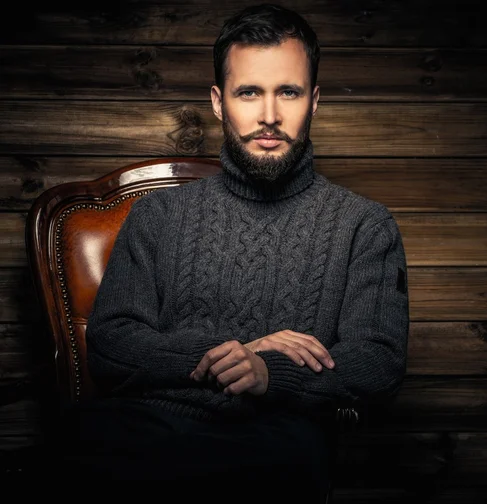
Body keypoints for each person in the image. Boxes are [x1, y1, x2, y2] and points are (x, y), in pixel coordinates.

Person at [48, 3, 409, 500]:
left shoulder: (363, 225)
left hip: (277, 439)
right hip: (146, 428)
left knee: (284, 465)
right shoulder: (159, 216)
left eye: (289, 91)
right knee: (71, 445)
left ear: (315, 100)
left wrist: (268, 373)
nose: (269, 116)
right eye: (248, 93)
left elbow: (376, 361)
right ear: (219, 102)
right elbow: (111, 343)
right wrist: (236, 355)